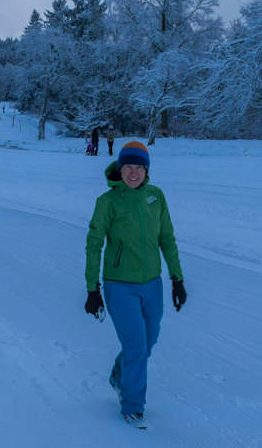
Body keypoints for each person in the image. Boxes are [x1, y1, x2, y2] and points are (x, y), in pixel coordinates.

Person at [84, 141, 185, 429]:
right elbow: (94, 245)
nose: (133, 172)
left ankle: (119, 375)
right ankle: (132, 406)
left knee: (147, 342)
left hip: (152, 284)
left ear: (147, 170)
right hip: (119, 285)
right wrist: (93, 289)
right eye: (128, 166)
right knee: (136, 347)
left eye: (139, 166)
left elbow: (167, 238)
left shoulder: (156, 197)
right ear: (119, 168)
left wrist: (177, 279)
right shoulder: (107, 202)